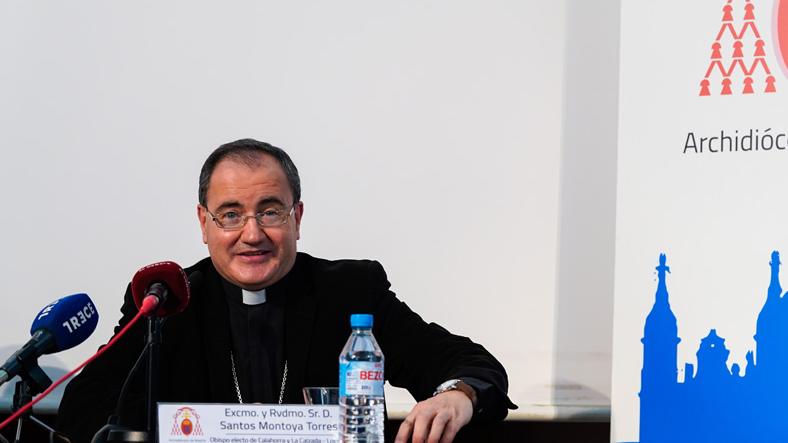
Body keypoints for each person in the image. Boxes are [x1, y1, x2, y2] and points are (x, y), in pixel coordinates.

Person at [56, 139, 514, 443]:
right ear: (204, 223)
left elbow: (469, 364)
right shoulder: (169, 301)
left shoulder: (350, 290)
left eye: (270, 212)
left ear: (297, 216)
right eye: (231, 214)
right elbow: (87, 405)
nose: (252, 233)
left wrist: (457, 394)